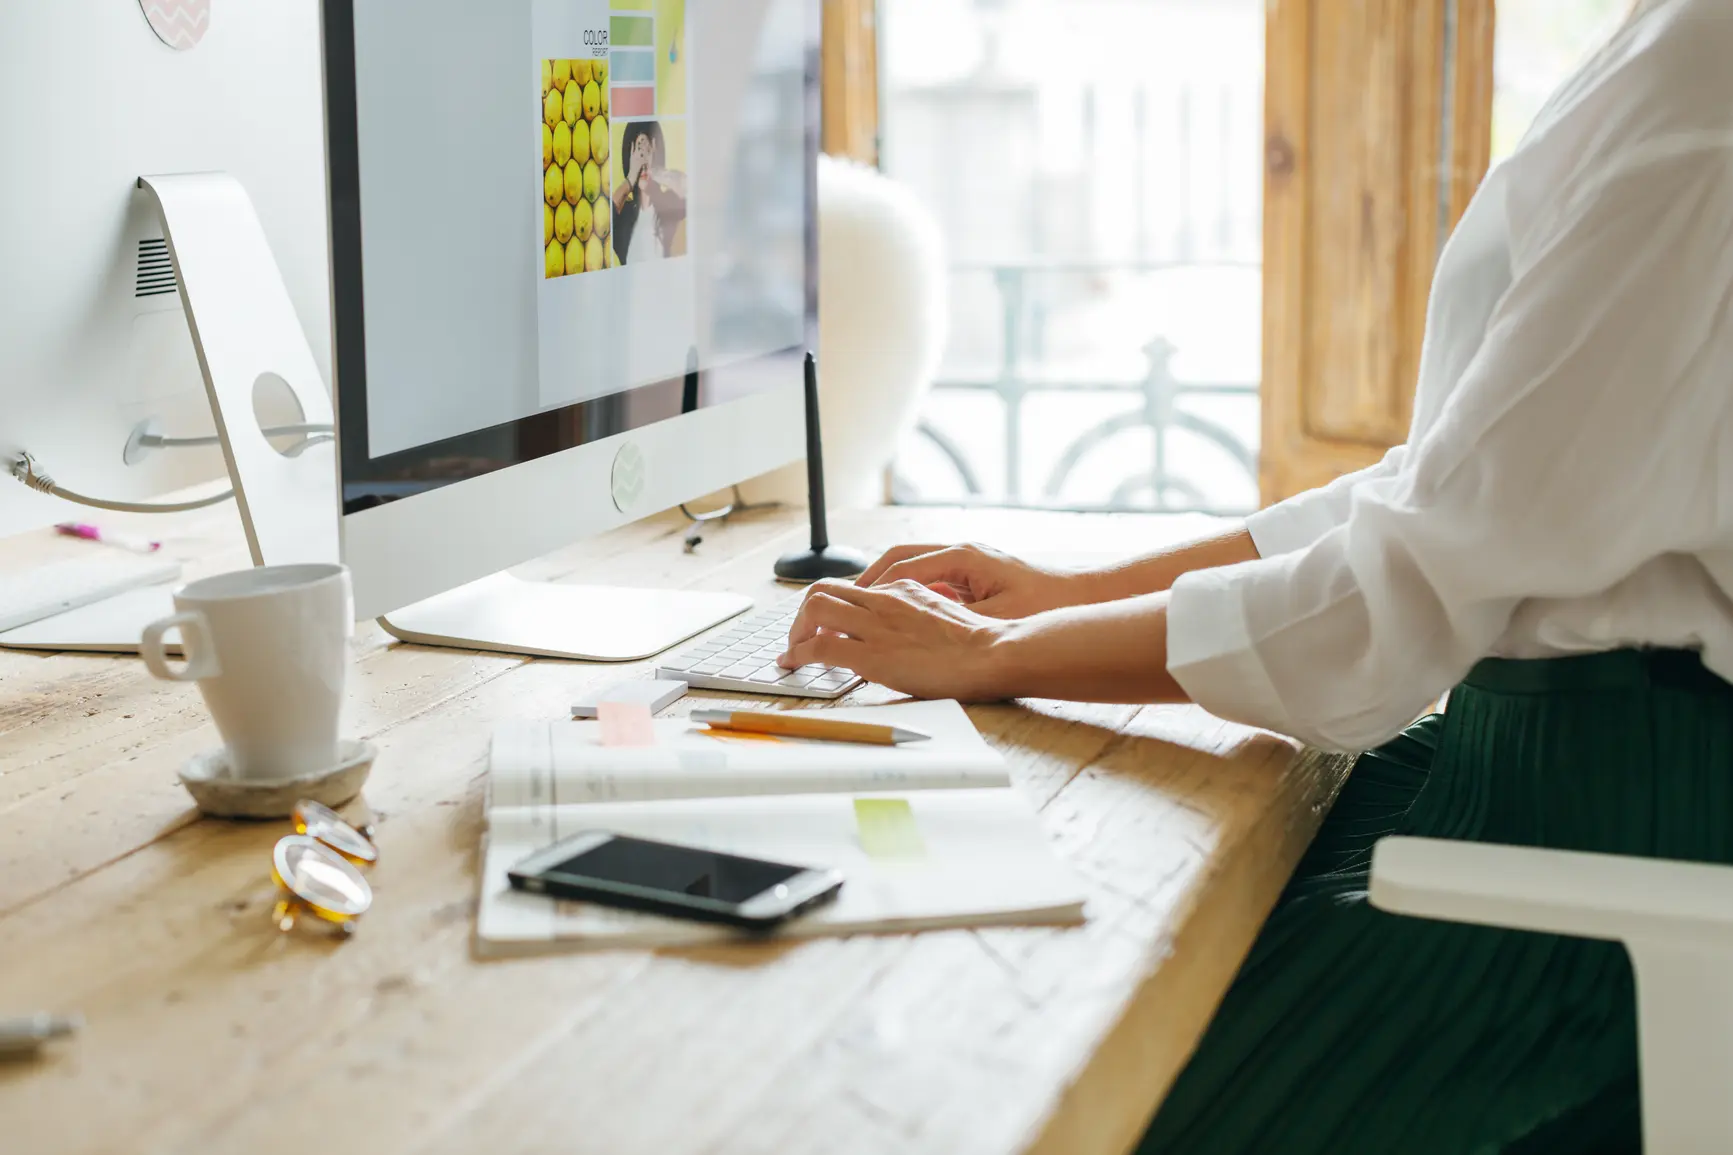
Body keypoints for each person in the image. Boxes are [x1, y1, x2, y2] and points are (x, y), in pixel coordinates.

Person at [778, 0, 1733, 1150]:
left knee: (1035, 1082)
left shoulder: (1699, 88)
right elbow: (1441, 486)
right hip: (1530, 789)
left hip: (1590, 886)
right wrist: (1062, 592)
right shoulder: (1675, 48)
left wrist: (998, 657)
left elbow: (1404, 591)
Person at [612, 120, 687, 264]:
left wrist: (656, 171)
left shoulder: (669, 205)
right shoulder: (625, 216)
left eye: (648, 150)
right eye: (638, 150)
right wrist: (631, 177)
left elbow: (692, 188)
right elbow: (602, 223)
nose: (643, 157)